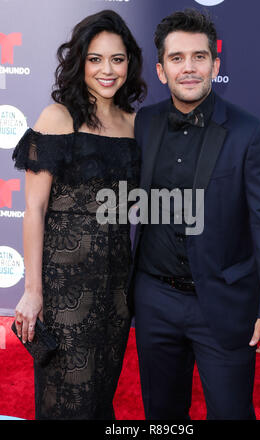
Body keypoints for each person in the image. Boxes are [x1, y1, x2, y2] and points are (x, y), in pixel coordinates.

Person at [129, 9, 260, 420]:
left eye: (199, 57)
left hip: (222, 302)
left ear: (215, 65)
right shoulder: (143, 123)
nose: (189, 67)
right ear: (162, 70)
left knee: (231, 412)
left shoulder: (250, 132)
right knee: (162, 414)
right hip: (155, 299)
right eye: (177, 58)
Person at [12, 9, 146, 420]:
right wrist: (34, 291)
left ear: (130, 64)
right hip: (65, 288)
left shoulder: (134, 123)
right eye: (95, 59)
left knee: (100, 395)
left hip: (116, 291)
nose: (107, 70)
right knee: (66, 401)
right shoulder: (58, 117)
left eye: (117, 59)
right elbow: (33, 209)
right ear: (79, 62)